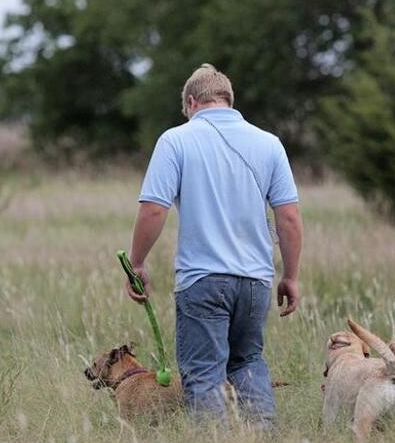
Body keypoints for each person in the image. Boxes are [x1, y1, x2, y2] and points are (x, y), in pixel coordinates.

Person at [124, 63, 303, 424]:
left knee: (204, 372)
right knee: (248, 362)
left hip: (202, 280)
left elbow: (154, 209)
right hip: (255, 282)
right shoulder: (269, 143)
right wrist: (290, 276)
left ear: (191, 102)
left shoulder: (175, 140)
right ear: (228, 100)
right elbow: (289, 218)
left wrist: (137, 263)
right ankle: (262, 442)